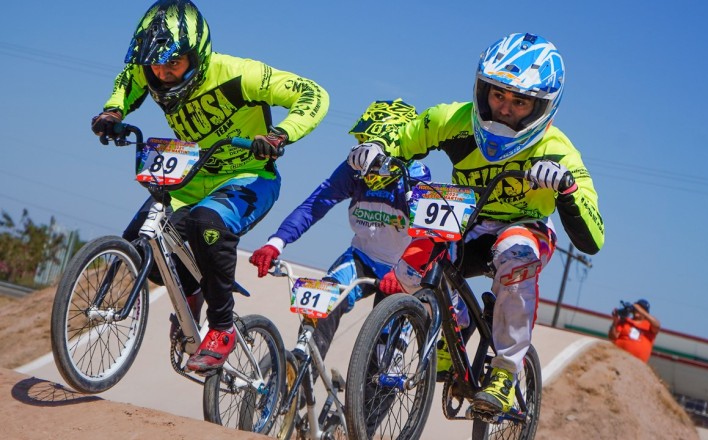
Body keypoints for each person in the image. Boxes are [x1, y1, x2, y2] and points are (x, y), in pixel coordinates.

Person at [346, 32, 604, 416]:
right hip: (466, 216)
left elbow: (593, 237)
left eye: (520, 102)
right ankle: (453, 331)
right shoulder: (453, 119)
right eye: (498, 94)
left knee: (514, 254)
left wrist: (566, 188)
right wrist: (378, 148)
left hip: (525, 226)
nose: (504, 108)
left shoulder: (557, 150)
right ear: (482, 89)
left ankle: (506, 371)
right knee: (408, 271)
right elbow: (406, 137)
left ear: (542, 107)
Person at [89, 0, 329, 373]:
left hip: (249, 176)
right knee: (141, 242)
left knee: (207, 223)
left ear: (197, 56)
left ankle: (222, 328)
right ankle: (192, 293)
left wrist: (280, 134)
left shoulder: (239, 74)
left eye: (174, 63)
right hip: (193, 175)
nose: (163, 74)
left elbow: (313, 94)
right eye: (156, 65)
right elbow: (129, 79)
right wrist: (112, 111)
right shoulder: (149, 72)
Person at [249, 98, 430, 360]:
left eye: (369, 142)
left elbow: (430, 235)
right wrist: (275, 242)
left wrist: (407, 272)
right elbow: (314, 205)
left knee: (383, 359)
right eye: (360, 141)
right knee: (321, 303)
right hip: (362, 257)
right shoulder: (353, 169)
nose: (362, 155)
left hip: (404, 268)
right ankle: (301, 368)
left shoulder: (414, 175)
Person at [607, 299, 660, 363]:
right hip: (619, 359)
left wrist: (641, 310)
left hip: (637, 364)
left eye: (641, 308)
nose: (638, 310)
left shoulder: (649, 325)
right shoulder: (625, 321)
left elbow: (657, 325)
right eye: (637, 308)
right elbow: (612, 337)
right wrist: (615, 322)